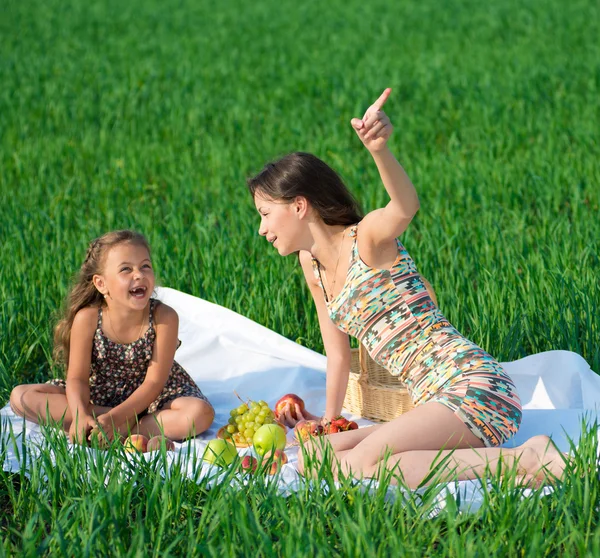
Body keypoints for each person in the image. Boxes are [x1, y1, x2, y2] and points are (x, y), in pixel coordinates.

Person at [247, 88, 567, 488]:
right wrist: (329, 423)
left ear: (298, 206)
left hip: (473, 387)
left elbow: (404, 206)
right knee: (313, 457)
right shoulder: (310, 265)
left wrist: (379, 150)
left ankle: (525, 458)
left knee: (358, 467)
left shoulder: (366, 240)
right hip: (433, 402)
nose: (261, 228)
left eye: (264, 213)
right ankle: (508, 459)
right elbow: (337, 353)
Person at [10, 230, 214, 444]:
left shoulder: (164, 317)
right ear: (101, 284)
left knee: (199, 413)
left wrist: (117, 418)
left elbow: (154, 383)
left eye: (145, 266)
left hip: (153, 399)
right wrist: (80, 414)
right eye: (126, 269)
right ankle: (96, 424)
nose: (139, 274)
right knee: (20, 397)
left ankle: (118, 428)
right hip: (100, 395)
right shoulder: (87, 318)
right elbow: (77, 378)